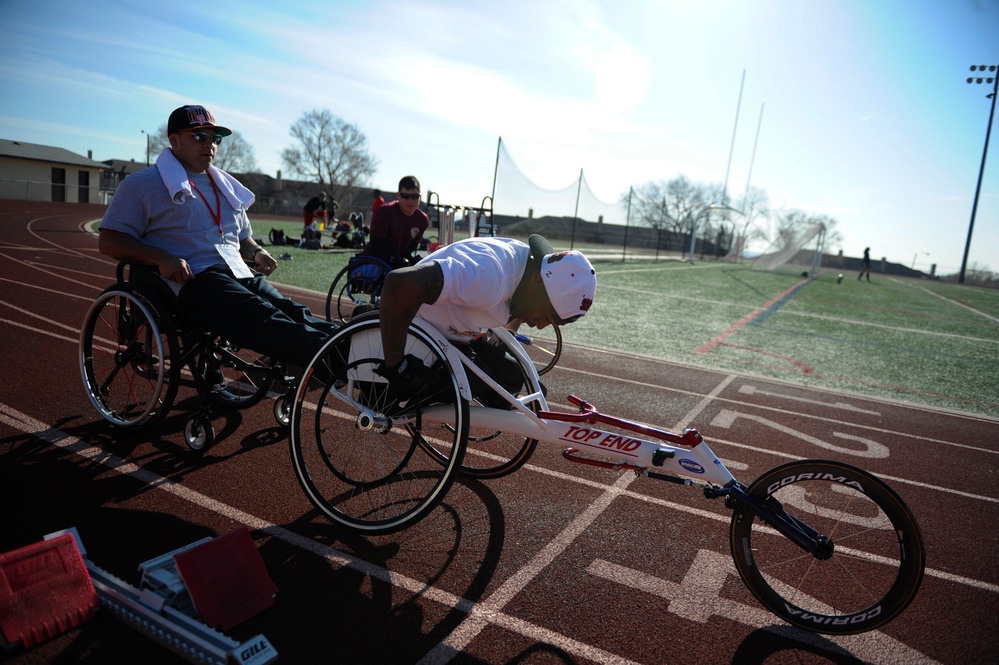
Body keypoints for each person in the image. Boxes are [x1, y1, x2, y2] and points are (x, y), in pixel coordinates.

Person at [98, 104, 337, 369]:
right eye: (199, 136)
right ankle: (344, 364)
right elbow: (110, 240)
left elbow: (243, 238)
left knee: (292, 311)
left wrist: (257, 252)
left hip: (235, 272)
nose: (209, 144)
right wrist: (162, 258)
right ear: (174, 140)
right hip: (193, 280)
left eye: (215, 138)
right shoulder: (142, 184)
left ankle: (356, 348)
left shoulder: (225, 186)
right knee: (264, 317)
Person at [374, 234, 596, 408]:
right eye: (546, 316)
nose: (540, 325)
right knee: (475, 379)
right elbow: (398, 284)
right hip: (419, 332)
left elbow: (517, 304)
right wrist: (397, 367)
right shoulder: (489, 276)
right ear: (537, 280)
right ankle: (390, 401)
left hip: (461, 334)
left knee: (514, 377)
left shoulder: (529, 273)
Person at [362, 176, 428, 270]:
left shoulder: (422, 219)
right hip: (374, 263)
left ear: (420, 196)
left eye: (414, 196)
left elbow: (412, 249)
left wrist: (412, 258)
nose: (410, 201)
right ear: (398, 195)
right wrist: (396, 260)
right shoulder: (384, 212)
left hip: (398, 265)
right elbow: (375, 247)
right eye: (405, 196)